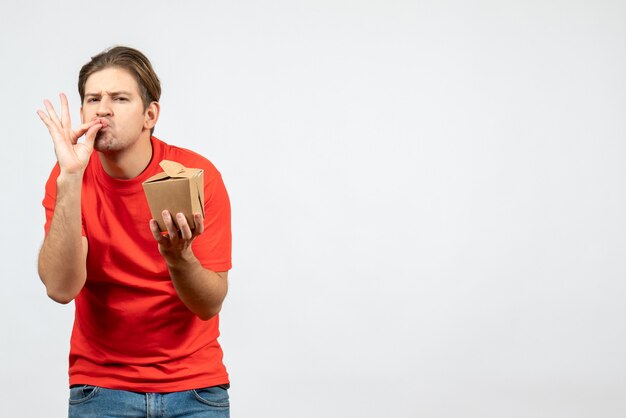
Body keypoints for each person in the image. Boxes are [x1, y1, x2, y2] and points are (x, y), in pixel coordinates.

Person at [37, 46, 232, 418]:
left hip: (194, 388)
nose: (102, 109)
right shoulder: (68, 179)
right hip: (101, 389)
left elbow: (209, 304)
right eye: (92, 99)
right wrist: (71, 179)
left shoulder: (195, 175)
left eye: (119, 98)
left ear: (150, 114)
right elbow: (60, 289)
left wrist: (179, 256)